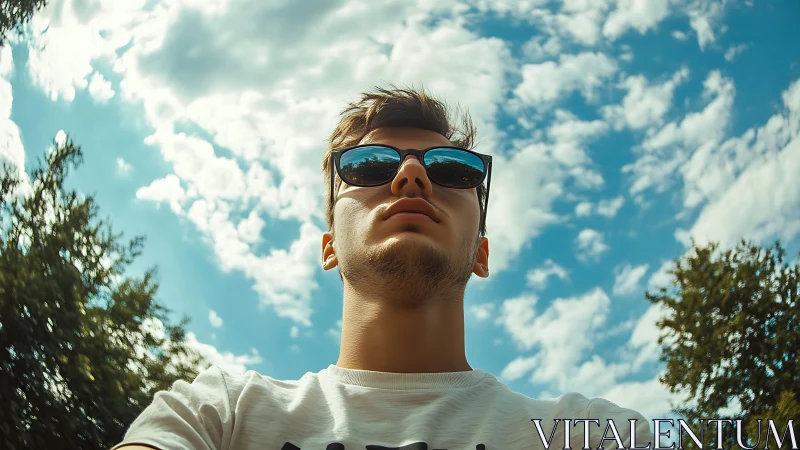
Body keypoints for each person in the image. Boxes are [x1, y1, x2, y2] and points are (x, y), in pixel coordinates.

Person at [113, 85, 652, 450]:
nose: (412, 177)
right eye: (369, 166)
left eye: (453, 170)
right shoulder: (219, 413)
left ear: (481, 254)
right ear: (329, 247)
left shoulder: (592, 432)